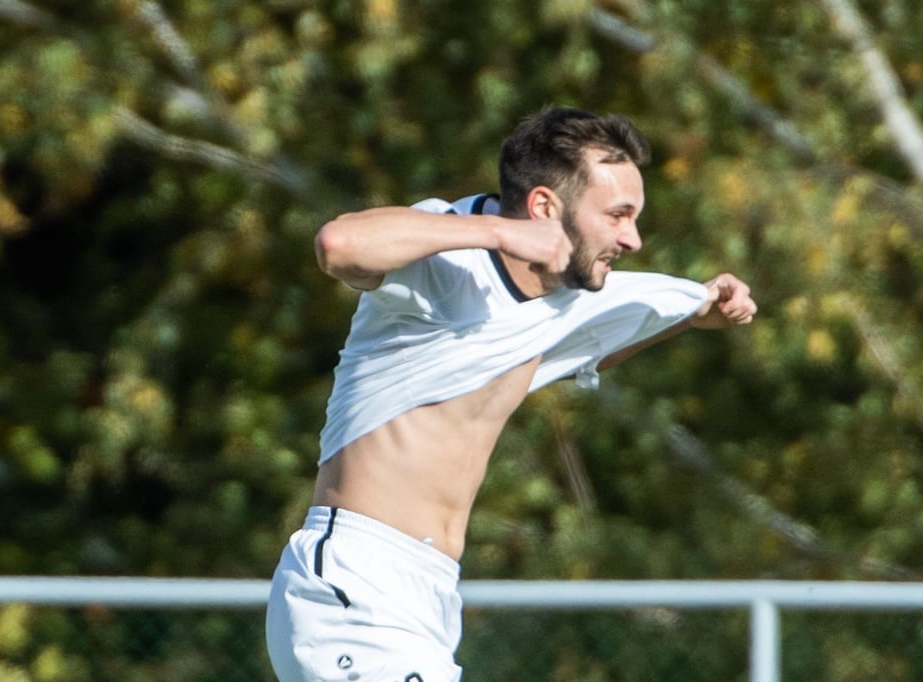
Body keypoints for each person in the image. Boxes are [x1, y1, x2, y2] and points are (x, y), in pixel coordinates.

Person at [265, 107, 757, 681]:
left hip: (428, 597)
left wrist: (700, 311)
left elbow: (603, 334)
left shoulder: (565, 300)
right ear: (545, 207)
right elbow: (338, 243)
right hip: (354, 581)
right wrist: (499, 231)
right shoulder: (445, 252)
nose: (633, 238)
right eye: (618, 215)